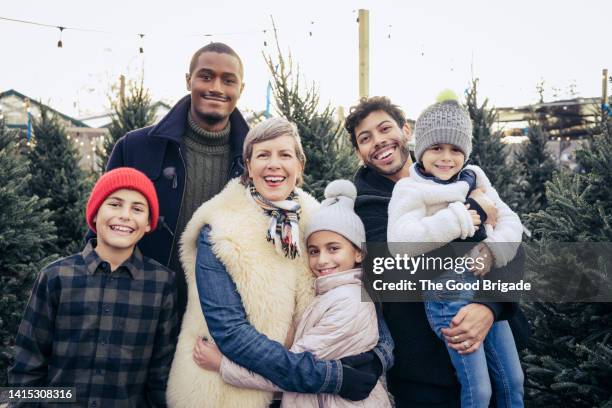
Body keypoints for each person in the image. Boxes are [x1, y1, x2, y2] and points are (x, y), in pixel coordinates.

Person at [166, 118, 393, 407]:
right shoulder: (219, 227)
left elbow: (362, 290)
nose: (274, 164)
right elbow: (231, 332)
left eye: (285, 155)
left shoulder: (319, 222)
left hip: (303, 396)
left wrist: (380, 355)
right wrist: (332, 376)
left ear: (299, 165)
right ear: (248, 166)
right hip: (227, 388)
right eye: (263, 155)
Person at [344, 96, 527, 408]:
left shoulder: (464, 178)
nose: (378, 142)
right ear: (360, 152)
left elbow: (515, 248)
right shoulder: (365, 205)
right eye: (365, 138)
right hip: (426, 374)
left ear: (406, 131)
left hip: (488, 339)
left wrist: (490, 307)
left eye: (385, 128)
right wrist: (474, 214)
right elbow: (396, 269)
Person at [190, 179, 392, 408]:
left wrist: (222, 365)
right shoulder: (331, 292)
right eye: (314, 251)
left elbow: (292, 370)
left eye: (333, 248)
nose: (322, 260)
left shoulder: (348, 302)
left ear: (358, 253)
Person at [9, 167, 178, 407]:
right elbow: (26, 367)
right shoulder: (55, 276)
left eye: (137, 209)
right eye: (115, 204)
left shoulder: (162, 284)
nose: (125, 215)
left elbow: (160, 375)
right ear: (95, 214)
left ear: (149, 223)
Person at [105, 42, 249, 320]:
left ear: (241, 89)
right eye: (206, 76)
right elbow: (100, 226)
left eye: (228, 81)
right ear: (189, 80)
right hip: (138, 306)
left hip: (219, 317)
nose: (216, 88)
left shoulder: (256, 158)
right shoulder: (135, 147)